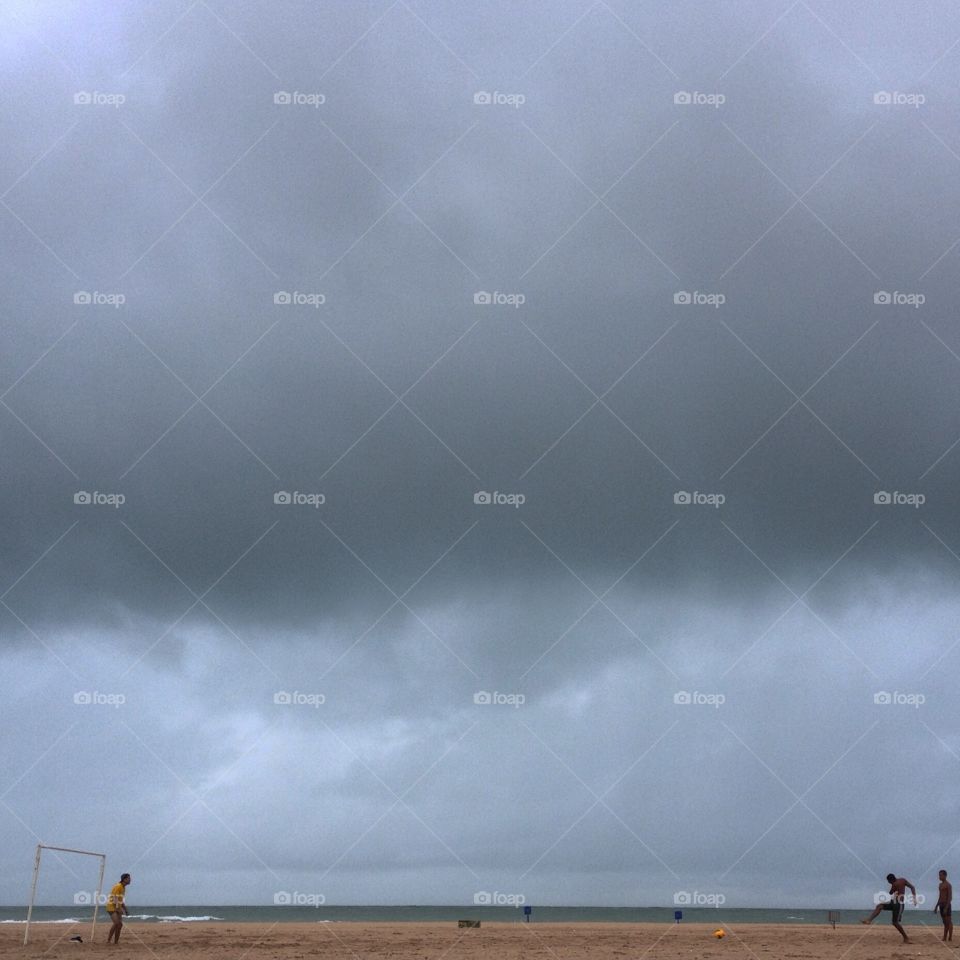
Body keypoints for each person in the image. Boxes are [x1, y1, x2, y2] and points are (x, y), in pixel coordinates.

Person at [861, 873, 916, 943]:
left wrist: (893, 890)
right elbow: (912, 887)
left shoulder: (894, 884)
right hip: (894, 902)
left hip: (898, 904)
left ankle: (906, 938)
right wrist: (914, 898)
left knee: (895, 922)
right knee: (879, 906)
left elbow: (890, 893)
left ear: (890, 880)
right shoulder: (903, 880)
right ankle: (869, 920)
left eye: (888, 881)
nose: (888, 882)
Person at [105, 873, 131, 944]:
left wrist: (125, 909)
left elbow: (120, 900)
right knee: (117, 923)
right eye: (129, 878)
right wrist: (117, 908)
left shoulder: (123, 887)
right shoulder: (118, 886)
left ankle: (116, 942)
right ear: (124, 879)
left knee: (120, 925)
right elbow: (114, 898)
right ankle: (108, 940)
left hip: (117, 907)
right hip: (111, 907)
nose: (130, 880)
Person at [935, 869, 953, 941]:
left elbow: (949, 897)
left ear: (945, 876)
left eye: (941, 875)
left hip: (946, 905)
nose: (939, 877)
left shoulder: (948, 885)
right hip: (941, 905)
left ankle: (949, 937)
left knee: (948, 921)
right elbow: (940, 896)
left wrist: (946, 907)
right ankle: (946, 937)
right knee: (944, 922)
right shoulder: (940, 885)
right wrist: (936, 906)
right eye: (939, 875)